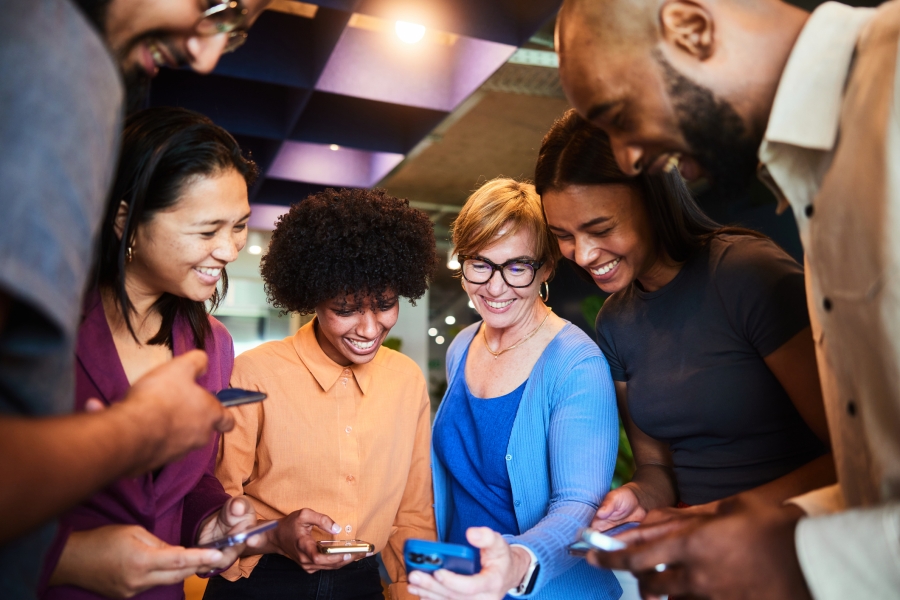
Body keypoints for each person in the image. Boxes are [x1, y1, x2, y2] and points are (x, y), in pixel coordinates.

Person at [556, 0, 900, 598]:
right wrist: (776, 536)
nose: (631, 156)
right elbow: (879, 481)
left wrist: (788, 547)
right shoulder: (809, 175)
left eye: (617, 114)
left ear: (690, 27)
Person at [0, 1, 273, 597]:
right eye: (206, 231)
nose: (228, 250)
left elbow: (191, 477)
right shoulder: (47, 321)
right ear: (126, 219)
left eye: (240, 227)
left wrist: (214, 517)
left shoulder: (211, 344)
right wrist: (67, 559)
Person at [538, 109, 834, 528]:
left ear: (652, 201)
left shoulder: (746, 274)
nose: (582, 255)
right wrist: (637, 496)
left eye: (601, 229)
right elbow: (658, 469)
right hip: (702, 561)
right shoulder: (615, 323)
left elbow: (855, 455)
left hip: (796, 549)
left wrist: (715, 520)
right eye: (564, 236)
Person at [203, 188, 438, 600]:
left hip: (362, 584)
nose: (368, 329)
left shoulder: (407, 379)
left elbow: (413, 512)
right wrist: (273, 535)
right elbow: (219, 497)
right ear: (312, 296)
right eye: (345, 309)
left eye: (384, 304)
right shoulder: (255, 373)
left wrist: (406, 590)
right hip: (263, 580)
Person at [407, 178, 622, 600]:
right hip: (462, 583)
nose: (495, 286)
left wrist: (517, 562)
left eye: (517, 267)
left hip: (546, 589)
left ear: (545, 268)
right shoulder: (462, 345)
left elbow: (578, 507)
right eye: (481, 264)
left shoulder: (577, 363)